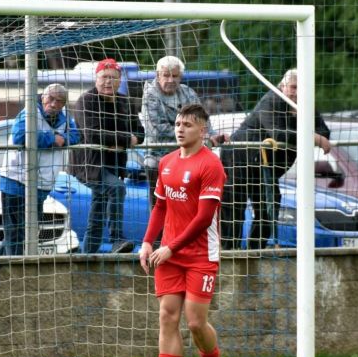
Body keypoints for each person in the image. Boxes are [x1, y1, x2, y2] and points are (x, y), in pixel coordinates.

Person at [139, 103, 226, 357]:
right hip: (168, 254)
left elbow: (203, 218)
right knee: (167, 316)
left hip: (201, 254)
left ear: (203, 130)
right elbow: (160, 206)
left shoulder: (211, 165)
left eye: (187, 125)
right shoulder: (166, 162)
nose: (180, 129)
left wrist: (171, 246)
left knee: (194, 322)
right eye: (177, 123)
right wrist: (148, 242)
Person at [220, 68, 330, 250]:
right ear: (283, 86)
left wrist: (302, 122)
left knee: (269, 205)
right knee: (234, 206)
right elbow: (279, 135)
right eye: (293, 88)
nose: (297, 93)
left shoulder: (306, 106)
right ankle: (229, 252)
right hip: (240, 155)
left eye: (302, 89)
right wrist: (314, 137)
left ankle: (256, 250)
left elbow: (325, 131)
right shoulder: (271, 100)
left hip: (265, 164)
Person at [69, 58, 143, 254]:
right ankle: (116, 238)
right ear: (96, 78)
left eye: (113, 77)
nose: (108, 81)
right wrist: (126, 139)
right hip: (89, 165)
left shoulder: (125, 102)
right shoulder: (86, 100)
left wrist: (119, 140)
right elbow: (92, 133)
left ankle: (87, 257)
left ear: (119, 80)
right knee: (117, 189)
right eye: (104, 77)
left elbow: (141, 133)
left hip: (114, 165)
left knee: (98, 212)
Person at [0, 83, 80, 255]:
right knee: (15, 234)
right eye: (51, 99)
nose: (54, 104)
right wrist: (52, 139)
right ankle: (15, 273)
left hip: (42, 184)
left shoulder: (65, 119)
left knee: (26, 232)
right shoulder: (29, 113)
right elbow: (20, 136)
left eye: (60, 101)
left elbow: (76, 135)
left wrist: (62, 138)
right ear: (43, 97)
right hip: (16, 180)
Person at [140, 56, 227, 210]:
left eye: (175, 75)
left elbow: (203, 119)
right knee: (159, 198)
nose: (170, 79)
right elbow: (156, 130)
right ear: (158, 75)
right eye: (166, 75)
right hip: (158, 153)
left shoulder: (188, 92)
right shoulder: (150, 94)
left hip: (188, 153)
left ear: (180, 76)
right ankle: (159, 232)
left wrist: (210, 134)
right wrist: (192, 135)